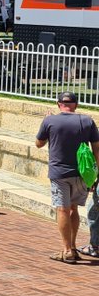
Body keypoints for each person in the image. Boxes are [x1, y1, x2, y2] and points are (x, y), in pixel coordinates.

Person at [35, 91, 99, 263]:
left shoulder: (50, 120)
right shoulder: (87, 121)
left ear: (59, 104)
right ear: (76, 105)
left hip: (59, 173)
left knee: (62, 209)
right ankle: (72, 246)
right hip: (81, 173)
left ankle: (67, 250)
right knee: (74, 210)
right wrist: (96, 174)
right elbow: (97, 149)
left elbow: (38, 143)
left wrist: (45, 121)